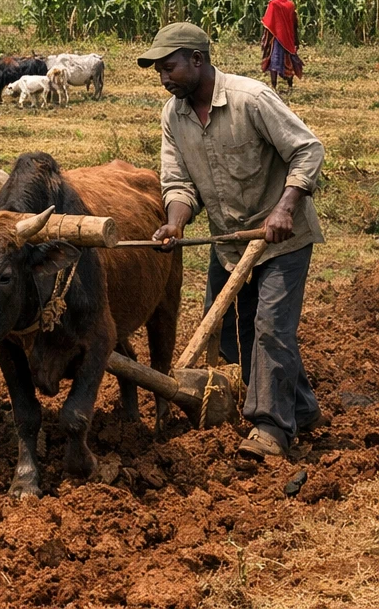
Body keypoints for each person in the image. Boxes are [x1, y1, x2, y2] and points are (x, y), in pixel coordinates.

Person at [138, 23, 325, 460]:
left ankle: (271, 429)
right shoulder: (174, 116)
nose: (164, 79)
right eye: (159, 72)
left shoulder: (251, 99)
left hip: (281, 239)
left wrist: (284, 208)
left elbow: (308, 150)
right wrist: (175, 223)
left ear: (198, 60)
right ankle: (301, 407)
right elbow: (179, 182)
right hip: (229, 242)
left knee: (270, 329)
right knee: (230, 336)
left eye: (170, 68)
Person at [261, 0, 303, 92]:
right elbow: (295, 23)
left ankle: (274, 87)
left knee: (274, 61)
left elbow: (268, 22)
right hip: (289, 38)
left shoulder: (273, 3)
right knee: (288, 61)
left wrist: (265, 39)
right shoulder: (291, 4)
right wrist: (296, 40)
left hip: (277, 38)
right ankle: (290, 85)